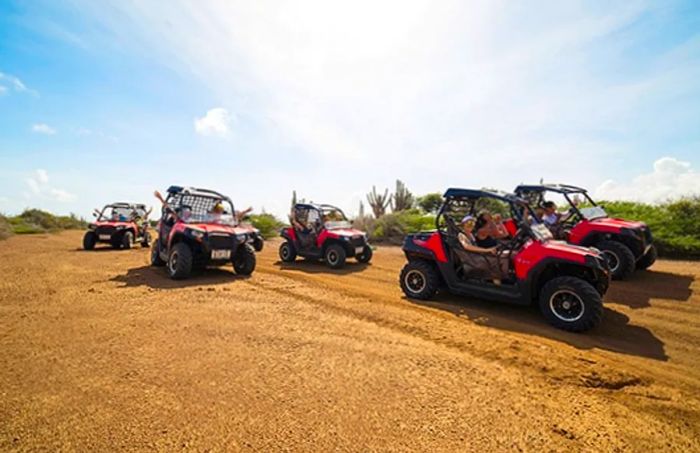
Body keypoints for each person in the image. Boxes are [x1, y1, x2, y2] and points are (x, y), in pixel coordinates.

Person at [456, 215, 508, 282]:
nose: (471, 225)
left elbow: (503, 234)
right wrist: (487, 250)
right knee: (499, 260)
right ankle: (502, 281)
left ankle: (502, 280)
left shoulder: (472, 235)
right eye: (468, 223)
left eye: (472, 223)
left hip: (479, 256)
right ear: (463, 225)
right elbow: (466, 246)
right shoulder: (461, 235)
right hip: (473, 261)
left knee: (503, 257)